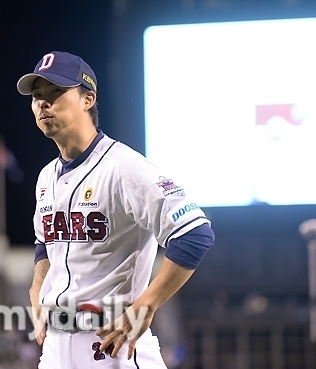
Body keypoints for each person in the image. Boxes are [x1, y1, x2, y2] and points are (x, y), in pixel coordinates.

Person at [17, 51, 215, 369]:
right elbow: (45, 244)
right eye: (37, 96)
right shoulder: (45, 177)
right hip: (55, 346)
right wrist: (37, 288)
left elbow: (194, 233)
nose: (44, 103)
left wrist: (146, 306)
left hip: (110, 345)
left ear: (87, 99)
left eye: (56, 92)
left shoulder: (124, 166)